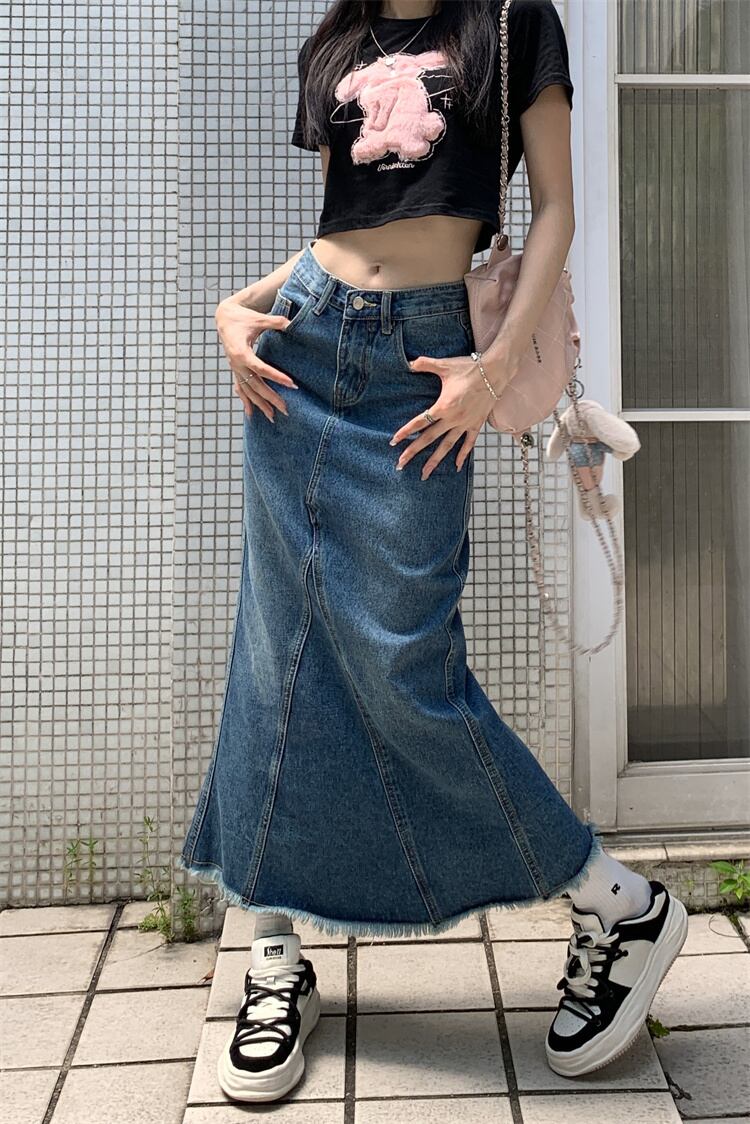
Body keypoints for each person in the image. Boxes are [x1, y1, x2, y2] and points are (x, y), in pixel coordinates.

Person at [179, 0, 688, 1103]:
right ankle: (273, 948)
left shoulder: (511, 21)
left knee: (405, 663)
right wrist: (235, 305)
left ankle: (620, 902)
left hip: (426, 368)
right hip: (301, 348)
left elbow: (554, 210)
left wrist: (492, 372)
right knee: (277, 652)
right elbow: (343, 230)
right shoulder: (337, 40)